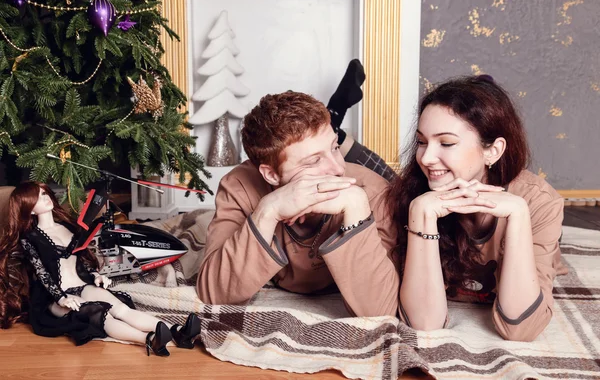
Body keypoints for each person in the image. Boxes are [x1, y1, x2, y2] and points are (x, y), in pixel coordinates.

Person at [387, 75, 565, 341]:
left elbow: (521, 329)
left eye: (446, 143)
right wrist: (422, 216)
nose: (425, 157)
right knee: (379, 176)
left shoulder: (540, 202)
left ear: (493, 151)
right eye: (422, 142)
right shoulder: (411, 194)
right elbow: (424, 324)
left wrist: (517, 216)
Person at [196, 88, 399, 317]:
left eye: (334, 148)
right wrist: (267, 210)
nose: (337, 168)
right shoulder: (239, 186)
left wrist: (356, 207)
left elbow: (381, 312)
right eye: (313, 161)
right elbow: (213, 294)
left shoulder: (372, 192)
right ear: (271, 175)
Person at [0, 181, 200, 355]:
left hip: (82, 286)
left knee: (120, 309)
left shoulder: (69, 227)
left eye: (44, 193)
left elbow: (80, 261)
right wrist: (62, 298)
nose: (44, 198)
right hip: (56, 298)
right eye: (37, 197)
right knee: (100, 314)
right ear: (30, 209)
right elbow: (42, 273)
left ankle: (178, 332)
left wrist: (95, 275)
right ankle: (149, 340)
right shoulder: (31, 239)